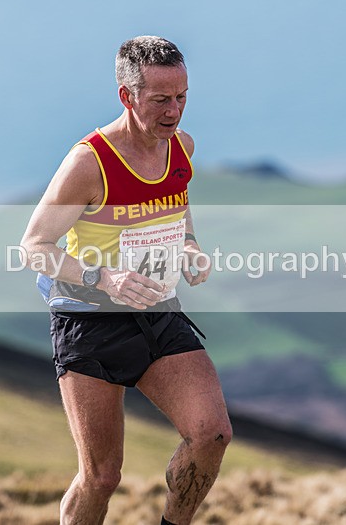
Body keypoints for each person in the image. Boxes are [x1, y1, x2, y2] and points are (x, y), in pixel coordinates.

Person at [20, 36, 232, 525]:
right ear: (127, 96)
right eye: (160, 99)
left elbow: (178, 211)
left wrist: (191, 248)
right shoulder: (88, 162)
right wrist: (104, 277)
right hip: (89, 321)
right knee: (101, 477)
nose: (173, 111)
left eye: (181, 96)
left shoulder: (182, 148)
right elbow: (33, 247)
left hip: (158, 312)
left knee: (211, 435)